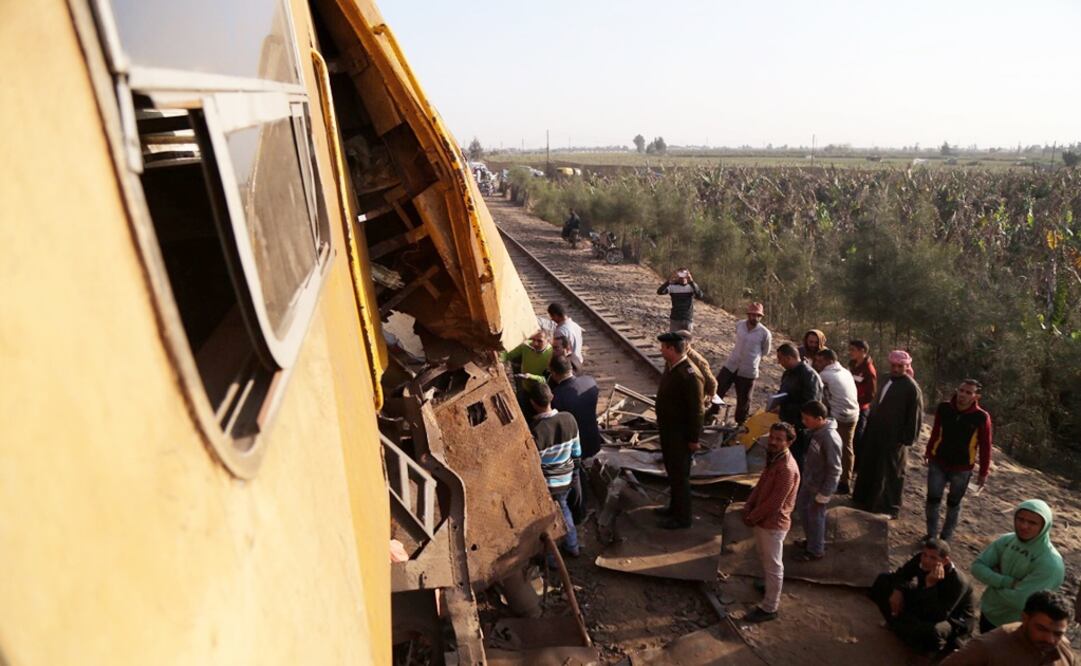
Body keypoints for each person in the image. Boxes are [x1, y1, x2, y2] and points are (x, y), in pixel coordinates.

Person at [971, 499, 1065, 633]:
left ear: (1044, 526)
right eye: (1020, 519)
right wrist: (1007, 582)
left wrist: (992, 583)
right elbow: (977, 567)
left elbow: (1023, 602)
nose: (1024, 526)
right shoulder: (1006, 540)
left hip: (1018, 628)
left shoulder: (1050, 563)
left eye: (1032, 523)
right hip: (989, 615)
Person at [869, 538, 975, 654]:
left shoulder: (957, 581)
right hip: (926, 600)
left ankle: (931, 653)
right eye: (925, 555)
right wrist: (897, 591)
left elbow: (939, 615)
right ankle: (895, 625)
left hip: (951, 620)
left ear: (945, 561)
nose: (926, 560)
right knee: (883, 581)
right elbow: (902, 574)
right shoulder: (921, 559)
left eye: (933, 558)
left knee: (932, 630)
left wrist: (931, 585)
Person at [852, 350, 923, 518]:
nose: (896, 369)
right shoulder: (884, 378)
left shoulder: (911, 388)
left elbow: (915, 415)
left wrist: (906, 439)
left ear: (907, 366)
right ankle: (864, 500)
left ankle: (888, 508)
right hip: (875, 430)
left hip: (894, 437)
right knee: (870, 465)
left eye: (900, 366)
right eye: (894, 366)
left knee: (890, 472)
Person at [741, 422, 801, 623]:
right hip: (762, 521)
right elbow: (761, 485)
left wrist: (752, 516)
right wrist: (749, 505)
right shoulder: (774, 458)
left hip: (773, 523)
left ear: (789, 442)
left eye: (778, 439)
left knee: (774, 566)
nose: (773, 442)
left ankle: (769, 607)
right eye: (772, 437)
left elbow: (775, 502)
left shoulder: (786, 468)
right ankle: (767, 586)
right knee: (765, 559)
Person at [925, 379, 993, 542]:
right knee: (933, 498)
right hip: (938, 462)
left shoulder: (981, 417)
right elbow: (936, 431)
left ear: (976, 397)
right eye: (961, 390)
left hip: (962, 468)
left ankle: (945, 539)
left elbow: (985, 446)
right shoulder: (944, 408)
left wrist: (983, 472)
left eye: (968, 392)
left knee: (953, 503)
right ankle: (931, 537)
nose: (963, 395)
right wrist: (928, 451)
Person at [653, 331, 704, 529]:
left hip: (681, 436)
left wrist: (693, 438)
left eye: (664, 347)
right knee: (672, 472)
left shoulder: (689, 375)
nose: (661, 350)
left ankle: (683, 518)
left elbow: (696, 411)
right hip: (669, 432)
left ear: (672, 349)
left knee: (680, 476)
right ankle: (674, 508)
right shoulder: (672, 367)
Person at [941, 590, 1074, 665]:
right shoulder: (988, 647)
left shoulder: (1063, 649)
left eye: (1058, 633)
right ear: (1025, 618)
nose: (1050, 639)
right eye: (1041, 629)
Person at [526, 382, 582, 557]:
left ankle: (551, 558)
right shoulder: (569, 419)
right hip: (567, 479)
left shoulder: (536, 431)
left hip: (547, 484)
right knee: (564, 510)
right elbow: (577, 452)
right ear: (552, 397)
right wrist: (573, 472)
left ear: (533, 403)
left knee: (548, 522)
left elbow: (533, 464)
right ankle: (573, 546)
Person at [549, 355, 601, 523]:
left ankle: (580, 511)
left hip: (576, 445)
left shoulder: (557, 396)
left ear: (554, 374)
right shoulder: (590, 382)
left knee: (577, 476)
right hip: (593, 437)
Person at [794, 401, 841, 562]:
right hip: (809, 482)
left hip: (819, 487)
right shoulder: (816, 431)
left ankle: (816, 550)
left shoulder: (829, 438)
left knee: (816, 517)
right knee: (802, 509)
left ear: (820, 418)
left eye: (807, 419)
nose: (803, 422)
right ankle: (811, 541)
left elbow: (835, 469)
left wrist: (825, 493)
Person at [715, 302, 772, 424]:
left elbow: (765, 351)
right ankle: (713, 412)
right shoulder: (739, 325)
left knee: (744, 400)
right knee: (718, 388)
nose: (754, 318)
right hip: (732, 364)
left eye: (757, 315)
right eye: (752, 315)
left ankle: (740, 423)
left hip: (748, 369)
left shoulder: (765, 333)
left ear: (761, 317)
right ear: (748, 315)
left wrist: (752, 358)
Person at [813, 348, 859, 495]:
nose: (818, 364)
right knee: (847, 448)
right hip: (853, 413)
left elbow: (818, 396)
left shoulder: (825, 374)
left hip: (840, 416)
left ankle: (835, 482)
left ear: (829, 361)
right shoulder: (845, 371)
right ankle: (846, 480)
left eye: (821, 361)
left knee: (832, 448)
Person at [770, 343, 822, 469]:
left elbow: (810, 405)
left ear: (789, 358)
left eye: (780, 359)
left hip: (800, 427)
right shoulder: (788, 373)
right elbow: (784, 392)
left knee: (797, 460)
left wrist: (786, 408)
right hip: (787, 422)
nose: (779, 362)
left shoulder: (809, 375)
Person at [848, 340, 878, 467]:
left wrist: (856, 402)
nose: (850, 352)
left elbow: (871, 394)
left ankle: (857, 465)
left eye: (853, 350)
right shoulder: (852, 364)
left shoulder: (869, 370)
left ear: (863, 351)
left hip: (860, 409)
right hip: (849, 406)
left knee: (857, 439)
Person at [680, 331, 719, 410]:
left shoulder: (697, 360)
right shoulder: (678, 355)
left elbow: (712, 382)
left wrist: (709, 396)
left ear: (686, 344)